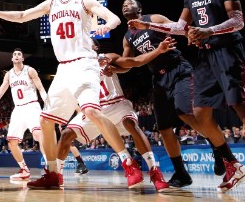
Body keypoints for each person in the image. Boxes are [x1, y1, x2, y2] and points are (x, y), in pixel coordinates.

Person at [128, 0, 245, 197]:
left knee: (242, 109)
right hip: (205, 58)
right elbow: (180, 28)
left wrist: (209, 30)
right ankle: (232, 164)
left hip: (228, 52)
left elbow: (238, 20)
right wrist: (147, 26)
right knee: (199, 112)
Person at [0, 0, 131, 190]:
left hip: (83, 61)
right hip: (63, 68)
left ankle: (128, 162)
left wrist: (107, 25)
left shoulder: (84, 1)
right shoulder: (51, 4)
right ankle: (53, 174)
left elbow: (114, 18)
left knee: (90, 110)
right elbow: (22, 16)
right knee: (45, 120)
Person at [121, 0, 218, 187]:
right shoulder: (127, 36)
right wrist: (112, 66)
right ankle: (181, 173)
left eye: (130, 2)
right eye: (123, 4)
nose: (125, 5)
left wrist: (194, 35)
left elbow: (178, 28)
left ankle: (215, 143)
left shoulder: (154, 19)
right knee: (164, 129)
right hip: (158, 78)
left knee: (184, 112)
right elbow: (128, 63)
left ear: (139, 8)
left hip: (178, 69)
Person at [57, 37, 174, 192]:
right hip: (95, 109)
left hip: (116, 103)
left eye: (86, 43)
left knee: (131, 125)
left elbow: (133, 62)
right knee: (66, 134)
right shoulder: (75, 67)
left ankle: (154, 171)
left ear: (95, 47)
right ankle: (56, 174)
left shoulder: (107, 58)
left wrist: (157, 50)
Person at [0, 48, 48, 180]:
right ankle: (24, 169)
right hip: (18, 109)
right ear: (12, 59)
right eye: (14, 55)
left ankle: (49, 166)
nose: (17, 56)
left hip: (32, 105)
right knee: (11, 142)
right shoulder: (9, 75)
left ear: (22, 58)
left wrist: (46, 102)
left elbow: (40, 87)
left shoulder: (30, 70)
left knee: (38, 134)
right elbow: (0, 93)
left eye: (19, 55)